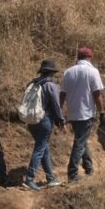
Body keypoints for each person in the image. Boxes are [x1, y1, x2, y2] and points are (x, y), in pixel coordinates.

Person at [60, 46, 104, 183]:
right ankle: (72, 174)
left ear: (78, 57)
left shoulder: (68, 72)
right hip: (86, 113)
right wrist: (101, 110)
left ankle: (89, 168)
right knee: (79, 142)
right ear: (90, 57)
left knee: (81, 140)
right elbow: (97, 94)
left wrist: (60, 111)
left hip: (73, 113)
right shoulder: (93, 71)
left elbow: (62, 94)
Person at [22, 59, 65, 190]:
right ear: (52, 72)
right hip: (44, 120)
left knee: (44, 147)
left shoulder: (33, 83)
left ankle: (50, 178)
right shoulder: (51, 86)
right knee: (40, 149)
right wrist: (61, 120)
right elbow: (56, 106)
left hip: (32, 121)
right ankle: (29, 179)